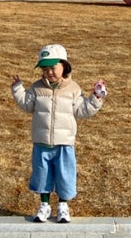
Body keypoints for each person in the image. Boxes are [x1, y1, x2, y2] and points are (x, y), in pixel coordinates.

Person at [11, 43, 106, 223]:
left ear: (64, 65)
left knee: (65, 175)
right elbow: (27, 104)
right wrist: (18, 89)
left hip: (64, 143)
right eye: (45, 69)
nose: (49, 73)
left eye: (53, 68)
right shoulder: (37, 87)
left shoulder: (73, 89)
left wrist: (95, 98)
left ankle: (63, 206)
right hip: (42, 142)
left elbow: (82, 110)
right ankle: (44, 205)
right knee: (42, 175)